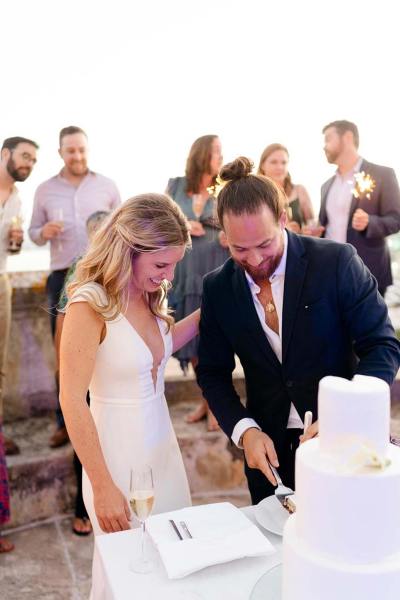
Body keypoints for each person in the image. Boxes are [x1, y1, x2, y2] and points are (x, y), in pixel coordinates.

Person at [196, 156, 400, 505]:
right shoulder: (217, 287)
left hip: (344, 443)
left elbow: (382, 346)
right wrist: (245, 432)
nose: (256, 260)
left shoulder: (337, 262)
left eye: (264, 245)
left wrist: (345, 412)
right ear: (224, 237)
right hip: (269, 453)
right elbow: (213, 374)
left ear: (283, 219)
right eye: (239, 249)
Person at [59, 194, 197, 592]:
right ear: (128, 251)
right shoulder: (89, 303)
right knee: (129, 576)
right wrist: (102, 485)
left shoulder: (149, 293)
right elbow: (71, 400)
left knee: (173, 567)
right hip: (117, 462)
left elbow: (161, 346)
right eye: (160, 264)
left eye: (173, 265)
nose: (168, 275)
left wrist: (212, 310)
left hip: (163, 453)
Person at [29, 126, 121, 449]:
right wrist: (44, 233)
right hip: (63, 277)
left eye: (81, 149)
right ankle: (63, 422)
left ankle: (99, 415)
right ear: (60, 153)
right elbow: (32, 233)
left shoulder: (107, 187)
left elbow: (123, 229)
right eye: (71, 151)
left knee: (108, 349)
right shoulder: (43, 190)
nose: (77, 156)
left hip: (105, 277)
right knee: (65, 354)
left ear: (87, 149)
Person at [166, 134, 229, 431]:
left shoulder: (225, 187)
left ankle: (216, 404)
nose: (220, 156)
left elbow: (235, 221)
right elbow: (161, 220)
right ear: (201, 154)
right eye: (216, 151)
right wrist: (183, 225)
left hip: (216, 266)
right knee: (192, 342)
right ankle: (209, 400)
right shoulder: (176, 185)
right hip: (186, 271)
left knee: (215, 339)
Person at [55, 210, 110, 537]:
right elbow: (63, 320)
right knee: (84, 433)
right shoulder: (82, 267)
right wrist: (63, 368)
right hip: (84, 366)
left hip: (105, 367)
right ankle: (82, 505)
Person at [319, 120, 400, 297]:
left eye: (328, 139)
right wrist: (316, 231)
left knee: (369, 325)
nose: (324, 146)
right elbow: (327, 227)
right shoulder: (326, 186)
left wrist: (370, 222)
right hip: (329, 272)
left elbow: (396, 219)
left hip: (368, 271)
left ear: (347, 137)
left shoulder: (383, 174)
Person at [0, 136, 38, 457]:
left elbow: (12, 248)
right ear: (6, 154)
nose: (29, 163)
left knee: (0, 365)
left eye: (33, 160)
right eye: (25, 156)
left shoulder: (18, 200)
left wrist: (16, 240)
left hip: (2, 280)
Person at [257, 143, 314, 233]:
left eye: (284, 163)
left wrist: (306, 231)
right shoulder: (255, 195)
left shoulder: (299, 190)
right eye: (274, 162)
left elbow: (312, 224)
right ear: (262, 165)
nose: (279, 167)